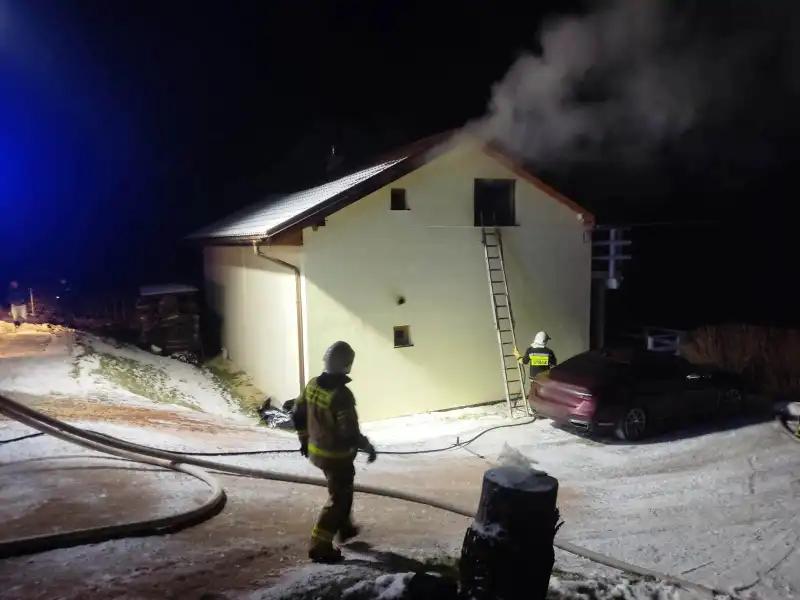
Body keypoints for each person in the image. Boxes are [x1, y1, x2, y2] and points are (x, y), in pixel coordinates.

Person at [291, 341, 377, 563]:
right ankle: (319, 546)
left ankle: (344, 528)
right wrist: (367, 446)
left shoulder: (312, 385)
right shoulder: (341, 395)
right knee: (339, 499)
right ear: (347, 365)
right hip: (337, 458)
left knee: (341, 491)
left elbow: (297, 414)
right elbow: (349, 432)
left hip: (317, 453)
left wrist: (303, 440)